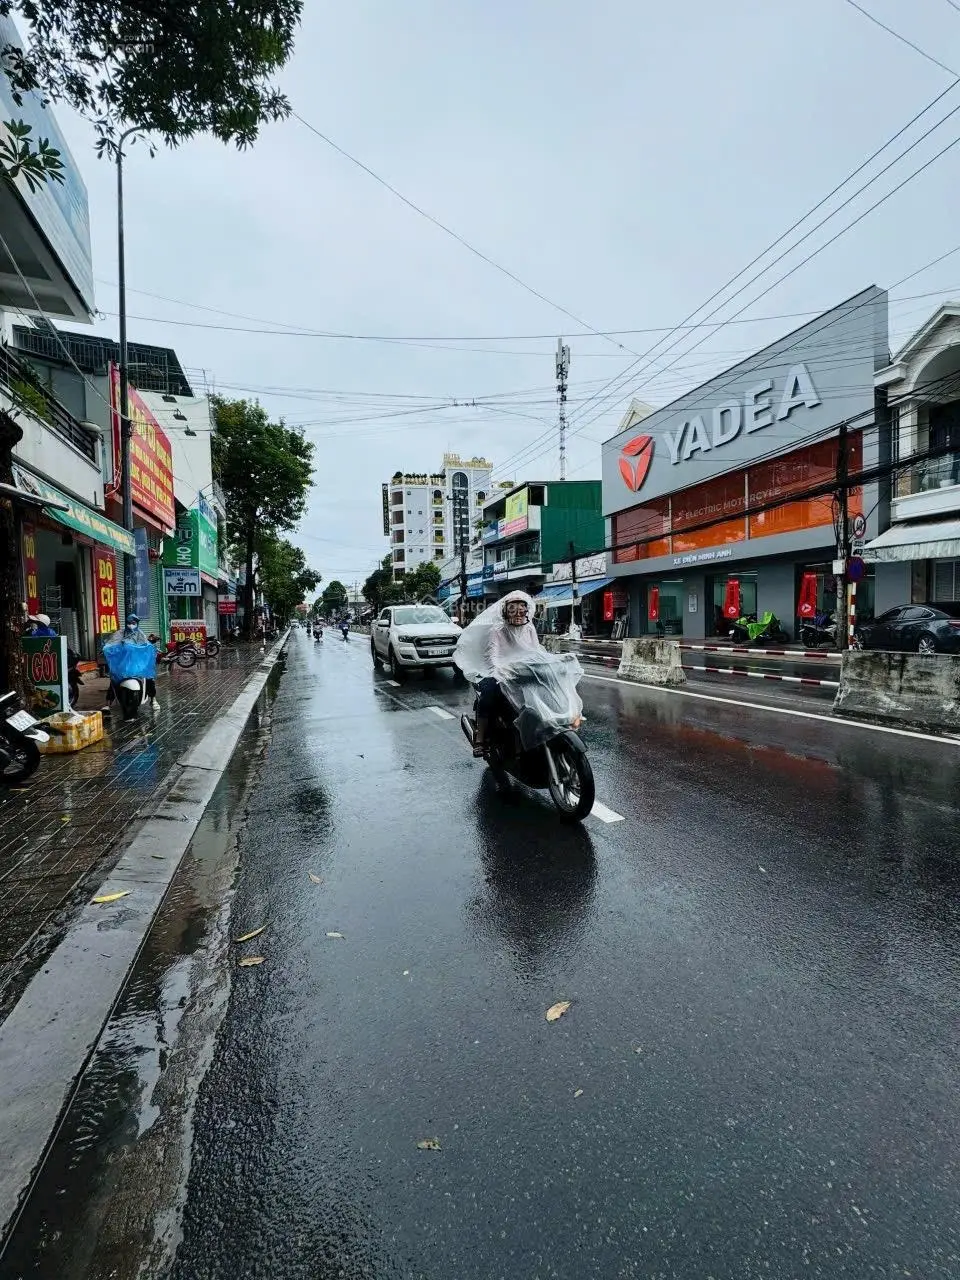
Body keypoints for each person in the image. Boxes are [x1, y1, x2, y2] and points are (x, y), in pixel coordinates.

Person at [454, 590, 544, 757]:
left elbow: (536, 651)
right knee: (487, 695)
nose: (518, 614)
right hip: (498, 673)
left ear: (526, 612)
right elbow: (492, 655)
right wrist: (498, 671)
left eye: (522, 610)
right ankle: (479, 739)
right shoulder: (498, 630)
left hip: (522, 673)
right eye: (513, 610)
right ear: (506, 612)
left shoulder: (529, 629)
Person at [102, 615, 159, 711]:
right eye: (129, 623)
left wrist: (150, 648)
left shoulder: (140, 634)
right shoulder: (120, 633)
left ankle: (153, 700)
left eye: (133, 623)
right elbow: (111, 643)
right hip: (123, 662)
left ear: (137, 624)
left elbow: (146, 644)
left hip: (137, 663)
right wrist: (106, 648)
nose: (131, 625)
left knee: (149, 679)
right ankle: (108, 703)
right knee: (114, 679)